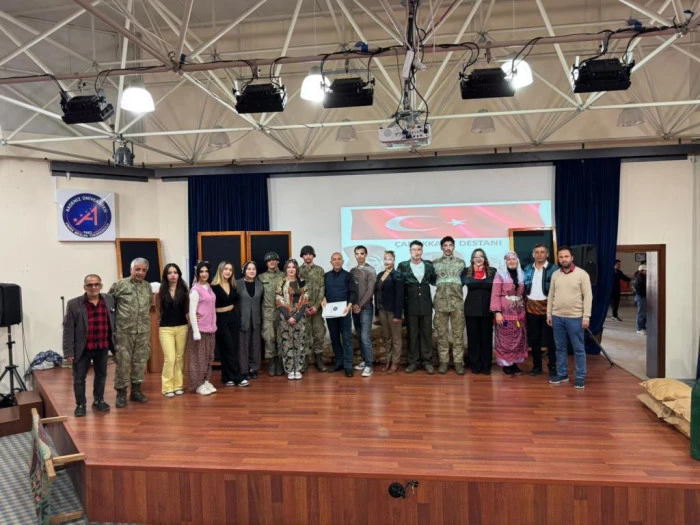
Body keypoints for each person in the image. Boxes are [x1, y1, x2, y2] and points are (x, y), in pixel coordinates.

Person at [62, 274, 115, 417]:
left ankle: (98, 400)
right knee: (79, 378)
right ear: (84, 287)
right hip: (82, 348)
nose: (93, 287)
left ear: (101, 286)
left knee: (101, 375)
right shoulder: (74, 304)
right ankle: (80, 404)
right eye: (90, 285)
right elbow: (68, 329)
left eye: (96, 284)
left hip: (102, 346)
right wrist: (68, 351)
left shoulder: (109, 300)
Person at [547, 246, 593, 389]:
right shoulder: (555, 274)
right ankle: (562, 374)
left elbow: (588, 297)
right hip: (557, 317)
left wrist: (586, 317)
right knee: (560, 348)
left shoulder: (582, 274)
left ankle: (580, 377)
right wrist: (549, 313)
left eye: (566, 256)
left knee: (578, 349)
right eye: (561, 257)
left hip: (575, 318)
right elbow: (551, 295)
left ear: (572, 258)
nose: (563, 259)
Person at [109, 257, 152, 408]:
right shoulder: (120, 285)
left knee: (140, 361)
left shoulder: (147, 287)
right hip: (124, 331)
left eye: (143, 270)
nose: (140, 272)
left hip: (143, 331)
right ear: (131, 270)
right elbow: (109, 305)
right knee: (123, 362)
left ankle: (136, 391)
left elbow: (148, 306)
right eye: (137, 269)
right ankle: (121, 393)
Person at [397, 240, 436, 374]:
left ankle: (427, 362)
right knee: (412, 334)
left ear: (422, 251)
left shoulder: (428, 265)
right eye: (414, 250)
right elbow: (399, 285)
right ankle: (413, 362)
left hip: (425, 303)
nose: (416, 252)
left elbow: (434, 280)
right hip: (410, 303)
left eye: (419, 249)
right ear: (410, 251)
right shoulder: (403, 266)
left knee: (426, 333)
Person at [490, 252, 529, 377]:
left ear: (517, 261)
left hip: (519, 312)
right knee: (506, 338)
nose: (511, 261)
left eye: (514, 259)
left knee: (518, 337)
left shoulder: (522, 274)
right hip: (505, 312)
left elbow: (524, 293)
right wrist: (497, 312)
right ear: (505, 262)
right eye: (509, 259)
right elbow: (495, 294)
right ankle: (507, 365)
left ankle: (515, 363)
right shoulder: (500, 275)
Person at [432, 236, 466, 375]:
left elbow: (464, 280)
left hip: (457, 304)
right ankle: (444, 362)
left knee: (458, 334)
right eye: (445, 245)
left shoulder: (461, 263)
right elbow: (432, 280)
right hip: (440, 303)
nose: (447, 248)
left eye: (450, 245)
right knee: (442, 334)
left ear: (453, 247)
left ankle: (458, 362)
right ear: (441, 247)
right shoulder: (434, 263)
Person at [212, 261, 249, 387]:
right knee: (227, 348)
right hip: (220, 319)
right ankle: (238, 377)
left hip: (233, 318)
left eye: (230, 270)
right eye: (225, 269)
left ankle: (227, 377)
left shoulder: (233, 285)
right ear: (220, 270)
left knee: (233, 347)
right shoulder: (213, 287)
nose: (228, 272)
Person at [523, 244, 558, 377]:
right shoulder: (527, 268)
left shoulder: (554, 269)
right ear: (533, 255)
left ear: (547, 254)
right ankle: (536, 366)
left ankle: (552, 366)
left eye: (542, 252)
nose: (539, 254)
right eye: (536, 252)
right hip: (531, 308)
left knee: (551, 340)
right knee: (534, 339)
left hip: (549, 309)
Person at [322, 252, 358, 377]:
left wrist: (349, 306)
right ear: (331, 262)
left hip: (344, 312)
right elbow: (322, 292)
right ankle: (339, 362)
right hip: (330, 312)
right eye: (334, 259)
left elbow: (353, 292)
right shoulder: (326, 276)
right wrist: (323, 299)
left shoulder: (348, 276)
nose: (336, 261)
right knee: (334, 338)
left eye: (339, 259)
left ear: (342, 261)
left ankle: (348, 366)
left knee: (347, 338)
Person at [461, 249, 496, 375]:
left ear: (484, 258)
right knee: (473, 339)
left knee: (486, 339)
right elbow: (457, 287)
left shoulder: (492, 271)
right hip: (471, 310)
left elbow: (497, 290)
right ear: (472, 259)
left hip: (488, 309)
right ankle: (475, 365)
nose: (478, 258)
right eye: (476, 257)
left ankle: (486, 365)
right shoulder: (466, 271)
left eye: (481, 256)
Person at [156, 263, 189, 398]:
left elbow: (188, 310)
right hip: (166, 329)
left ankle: (178, 385)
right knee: (170, 358)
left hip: (182, 327)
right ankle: (167, 387)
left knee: (180, 358)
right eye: (169, 273)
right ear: (166, 275)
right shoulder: (161, 292)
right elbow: (158, 311)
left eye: (175, 272)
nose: (173, 275)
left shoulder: (184, 291)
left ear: (179, 274)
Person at [187, 262, 218, 395]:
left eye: (206, 271)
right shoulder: (195, 290)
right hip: (200, 330)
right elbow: (192, 312)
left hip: (211, 329)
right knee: (198, 358)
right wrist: (195, 331)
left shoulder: (209, 287)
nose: (204, 274)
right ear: (197, 273)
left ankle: (206, 381)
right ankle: (197, 384)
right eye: (201, 271)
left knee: (209, 357)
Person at [276, 259, 309, 379]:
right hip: (285, 314)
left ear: (296, 269)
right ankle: (290, 369)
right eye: (289, 267)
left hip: (300, 314)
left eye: (293, 267)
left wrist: (298, 316)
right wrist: (288, 316)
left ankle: (298, 369)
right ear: (286, 269)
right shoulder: (281, 282)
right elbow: (278, 300)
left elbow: (305, 299)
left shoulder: (302, 281)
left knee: (300, 341)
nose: (291, 269)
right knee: (287, 342)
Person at [374, 250, 404, 374]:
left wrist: (398, 315)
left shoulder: (397, 275)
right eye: (385, 259)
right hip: (382, 311)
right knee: (387, 337)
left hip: (393, 312)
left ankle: (395, 362)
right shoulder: (380, 275)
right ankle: (388, 360)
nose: (387, 261)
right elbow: (376, 294)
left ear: (394, 260)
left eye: (390, 259)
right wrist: (376, 312)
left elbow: (400, 296)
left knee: (396, 338)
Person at [298, 245, 327, 372]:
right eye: (305, 254)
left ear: (313, 255)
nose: (308, 256)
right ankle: (304, 360)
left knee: (319, 334)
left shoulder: (319, 270)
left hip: (317, 309)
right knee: (304, 334)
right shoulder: (297, 270)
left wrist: (316, 305)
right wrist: (303, 307)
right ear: (302, 256)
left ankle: (318, 359)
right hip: (302, 309)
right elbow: (296, 291)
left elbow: (322, 288)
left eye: (310, 254)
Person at [350, 245, 377, 378]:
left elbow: (370, 291)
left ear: (366, 254)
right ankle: (364, 360)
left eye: (362, 253)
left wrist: (360, 305)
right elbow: (351, 290)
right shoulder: (352, 271)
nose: (359, 256)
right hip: (355, 308)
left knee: (365, 337)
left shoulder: (371, 270)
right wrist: (353, 305)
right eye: (357, 254)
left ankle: (369, 365)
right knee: (359, 335)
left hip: (366, 308)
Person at [259, 251, 285, 376]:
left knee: (281, 338)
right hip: (267, 313)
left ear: (278, 261)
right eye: (269, 260)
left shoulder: (284, 275)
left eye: (274, 260)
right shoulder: (261, 277)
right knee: (269, 338)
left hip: (282, 312)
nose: (271, 262)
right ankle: (271, 362)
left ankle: (280, 362)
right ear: (266, 263)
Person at [236, 261, 263, 379]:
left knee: (255, 344)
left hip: (256, 319)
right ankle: (243, 369)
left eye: (254, 269)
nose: (252, 271)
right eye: (249, 269)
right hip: (242, 320)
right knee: (243, 345)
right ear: (244, 271)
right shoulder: (237, 283)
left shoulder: (260, 285)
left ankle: (253, 368)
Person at [634, 264, 647, 335]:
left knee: (644, 313)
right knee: (641, 313)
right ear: (642, 271)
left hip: (643, 296)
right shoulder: (640, 278)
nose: (647, 272)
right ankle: (639, 328)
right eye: (645, 270)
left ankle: (643, 327)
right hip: (641, 297)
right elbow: (639, 289)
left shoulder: (643, 277)